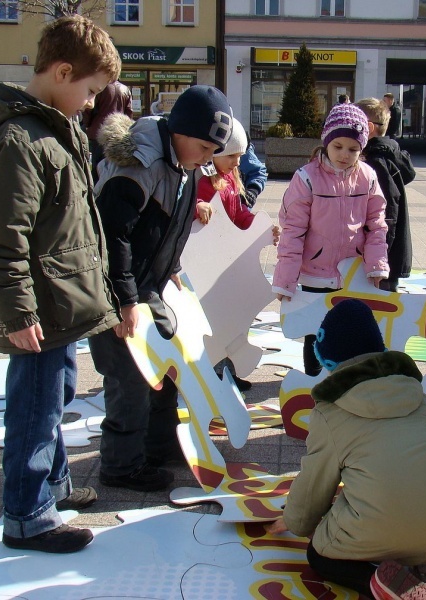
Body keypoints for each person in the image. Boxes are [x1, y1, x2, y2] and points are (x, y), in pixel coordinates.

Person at [0, 15, 121, 554]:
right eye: (91, 90)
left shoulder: (52, 129)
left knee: (54, 398)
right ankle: (28, 516)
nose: (91, 102)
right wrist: (16, 312)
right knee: (34, 407)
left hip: (60, 298)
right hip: (39, 306)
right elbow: (0, 239)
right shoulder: (20, 140)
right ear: (61, 72)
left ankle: (54, 486)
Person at [266, 299, 426, 599]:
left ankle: (386, 584)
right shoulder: (418, 393)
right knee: (401, 497)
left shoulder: (330, 412)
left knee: (319, 555)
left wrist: (294, 520)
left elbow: (314, 485)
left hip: (391, 523)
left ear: (329, 363)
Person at [89, 85, 233, 492]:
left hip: (150, 284)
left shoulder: (184, 164)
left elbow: (166, 229)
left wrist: (170, 269)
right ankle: (121, 466)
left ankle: (158, 445)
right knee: (129, 378)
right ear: (180, 132)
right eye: (204, 147)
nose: (208, 159)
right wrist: (124, 301)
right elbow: (114, 234)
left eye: (212, 150)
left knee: (167, 365)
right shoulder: (139, 163)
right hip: (120, 290)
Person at [272, 103, 389, 377]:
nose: (344, 155)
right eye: (338, 146)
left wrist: (376, 264)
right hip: (315, 273)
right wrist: (285, 280)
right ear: (326, 142)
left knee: (351, 329)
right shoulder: (306, 178)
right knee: (315, 331)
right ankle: (314, 382)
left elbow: (377, 224)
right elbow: (293, 231)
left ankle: (344, 379)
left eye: (353, 149)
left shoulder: (368, 177)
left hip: (353, 272)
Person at [195, 117, 280, 392]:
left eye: (240, 156)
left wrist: (260, 226)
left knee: (234, 319)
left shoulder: (230, 178)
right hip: (209, 267)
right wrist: (197, 206)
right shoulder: (203, 181)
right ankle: (218, 374)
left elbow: (238, 214)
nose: (237, 162)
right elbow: (187, 209)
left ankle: (229, 371)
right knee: (217, 322)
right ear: (216, 152)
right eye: (232, 155)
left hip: (227, 264)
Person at [355, 97, 416, 292]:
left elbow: (387, 213)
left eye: (354, 124)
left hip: (382, 260)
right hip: (383, 257)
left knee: (376, 314)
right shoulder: (387, 155)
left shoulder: (376, 162)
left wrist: (378, 258)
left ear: (369, 128)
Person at [82, 80, 133, 181]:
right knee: (114, 166)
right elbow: (129, 113)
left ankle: (96, 189)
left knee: (97, 165)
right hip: (118, 132)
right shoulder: (125, 89)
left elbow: (90, 109)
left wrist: (87, 124)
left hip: (99, 131)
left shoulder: (102, 88)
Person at [238, 131, 268, 209]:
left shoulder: (244, 152)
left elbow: (258, 172)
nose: (236, 162)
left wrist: (253, 190)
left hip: (240, 206)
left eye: (238, 156)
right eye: (231, 156)